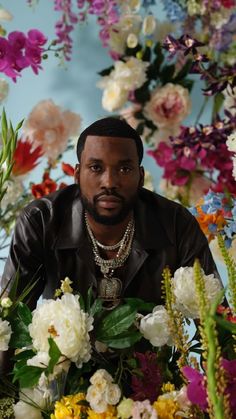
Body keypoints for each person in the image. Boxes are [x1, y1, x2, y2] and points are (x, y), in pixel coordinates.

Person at [1, 117, 219, 309]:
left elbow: (215, 320)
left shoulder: (176, 224)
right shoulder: (40, 220)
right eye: (96, 168)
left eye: (124, 169)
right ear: (77, 174)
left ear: (141, 177)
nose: (110, 182)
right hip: (60, 356)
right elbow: (9, 321)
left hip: (152, 357)